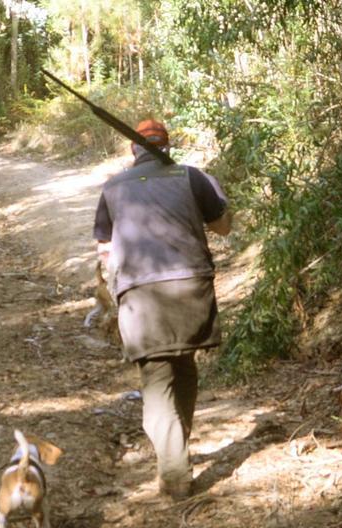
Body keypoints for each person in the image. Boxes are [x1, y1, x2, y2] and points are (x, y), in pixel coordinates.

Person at [92, 119, 231, 499]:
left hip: (140, 298)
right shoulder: (192, 177)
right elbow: (224, 227)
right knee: (182, 364)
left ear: (133, 152)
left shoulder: (113, 187)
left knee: (157, 380)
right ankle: (177, 453)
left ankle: (174, 474)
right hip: (191, 288)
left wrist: (113, 284)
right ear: (166, 147)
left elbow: (104, 249)